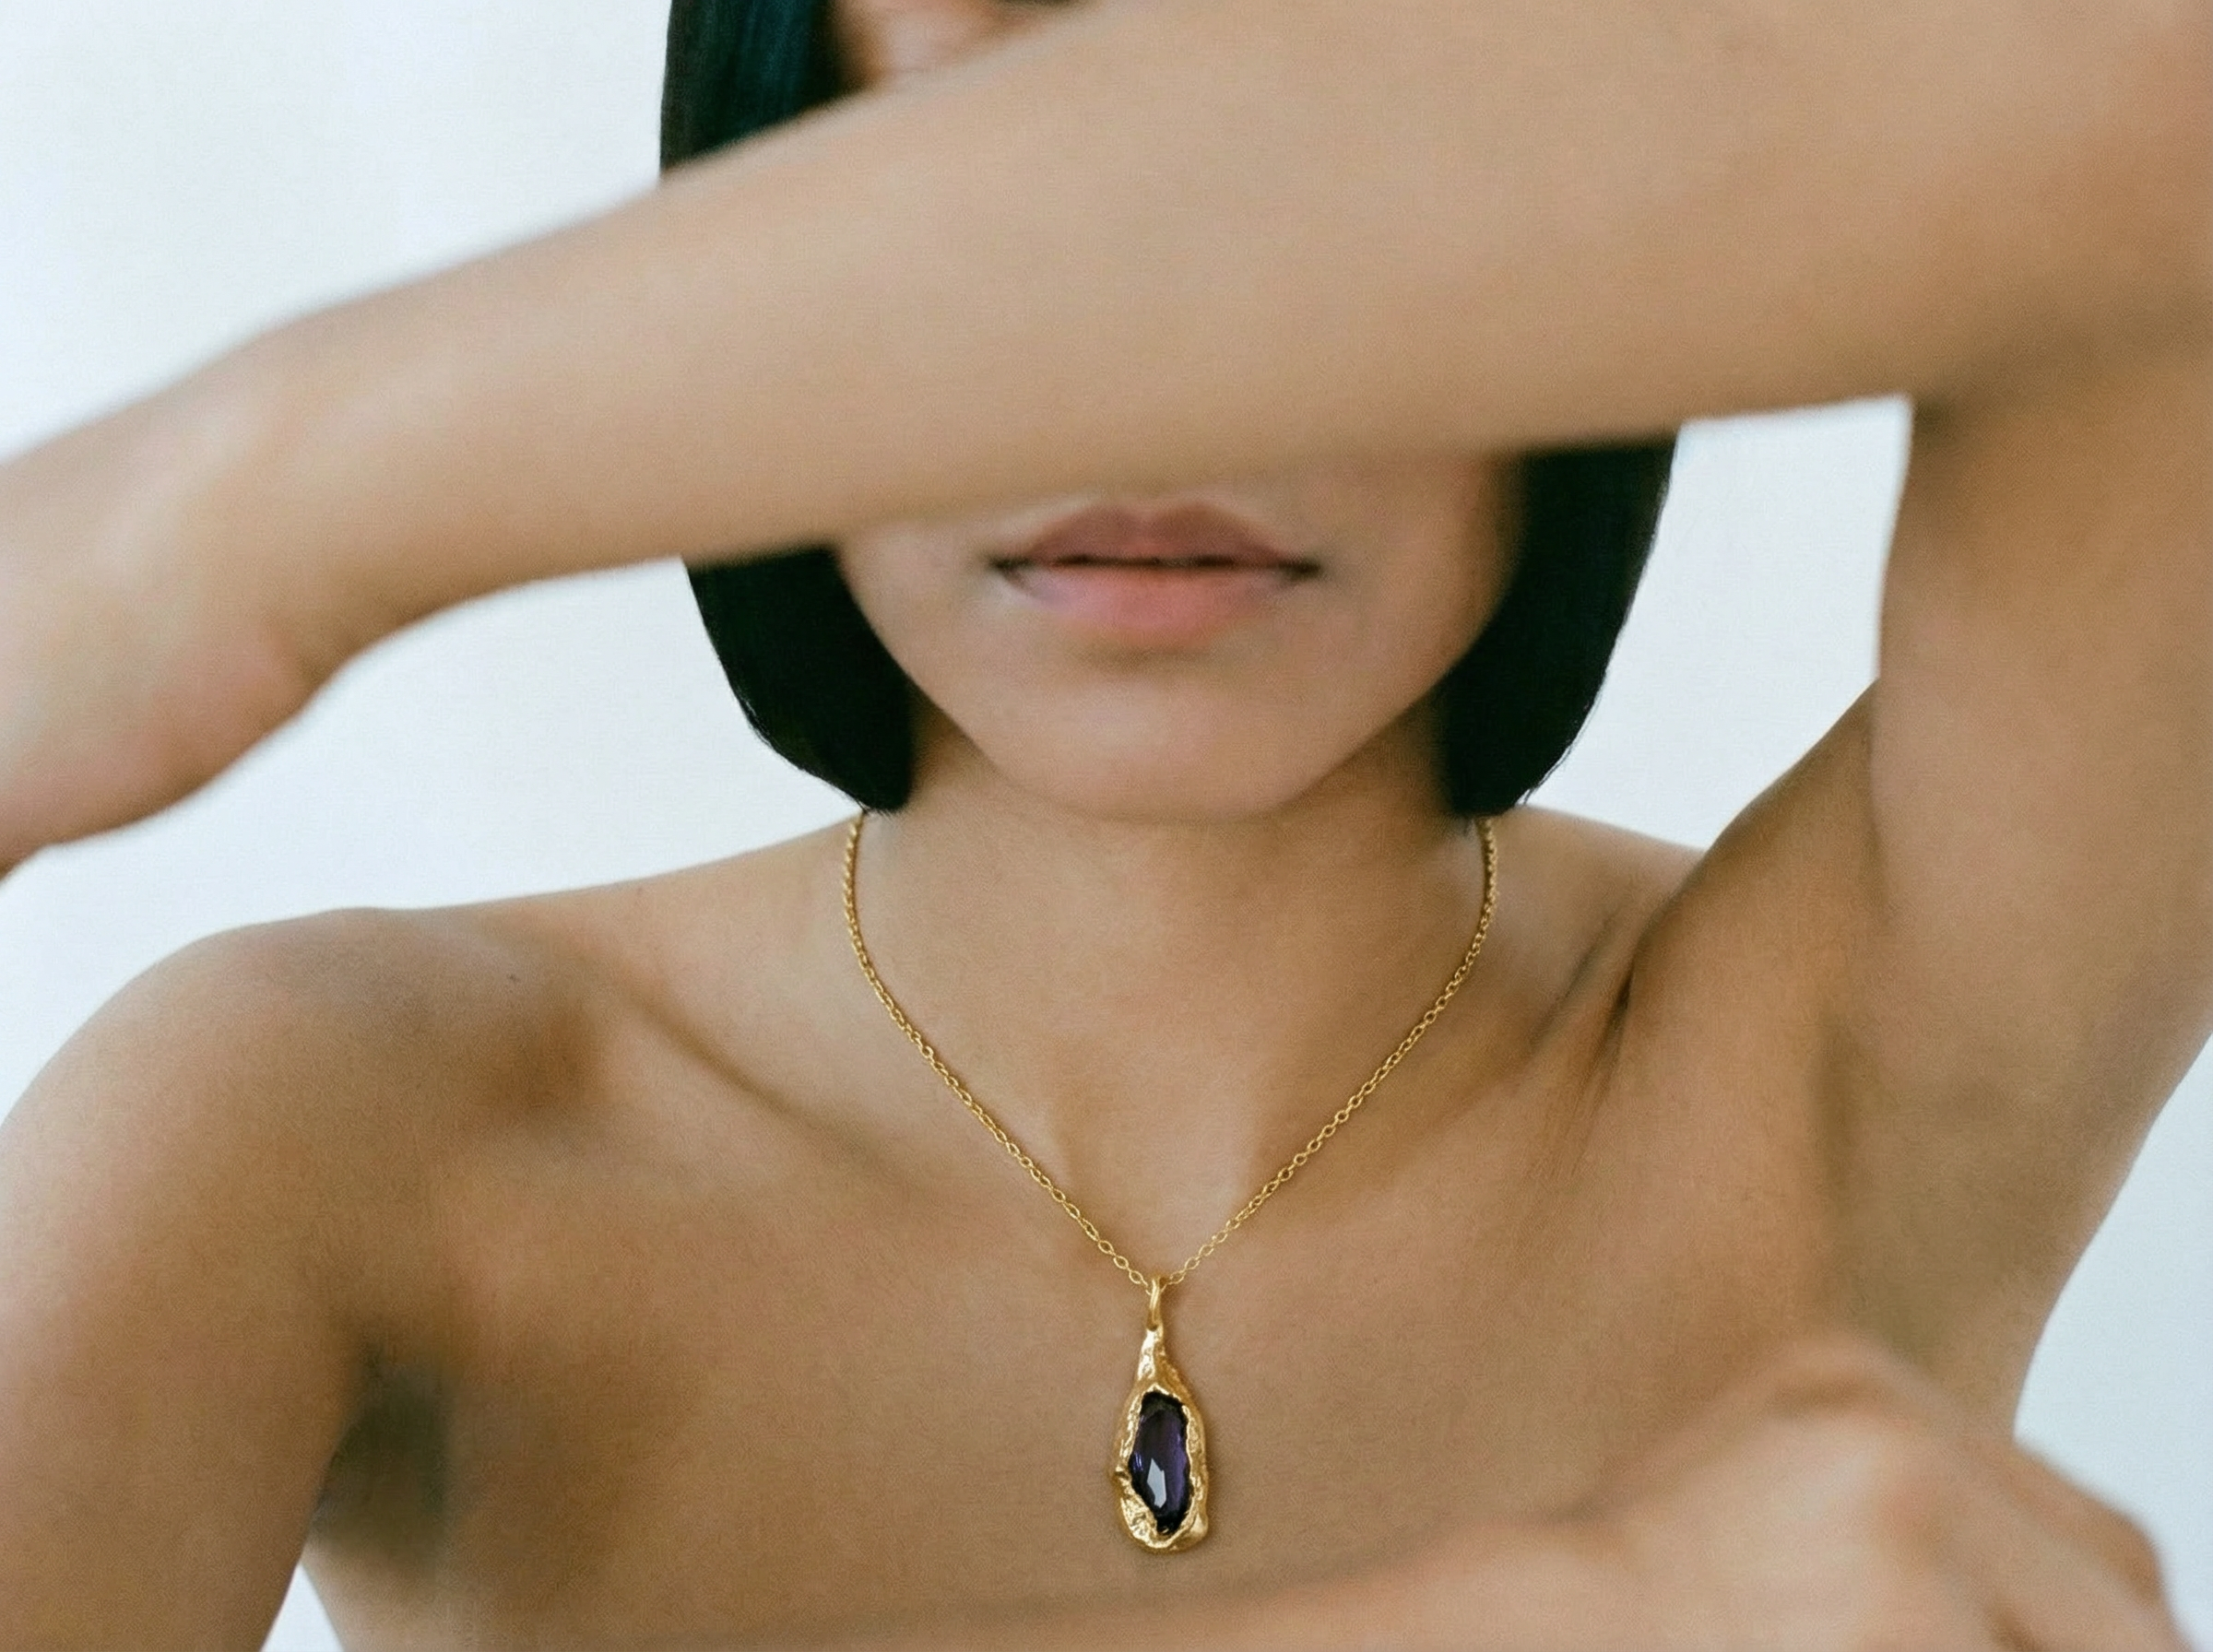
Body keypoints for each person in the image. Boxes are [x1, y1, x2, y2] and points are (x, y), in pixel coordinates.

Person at [0, 0, 2204, 1646]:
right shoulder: (327, 1115)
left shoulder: (1844, 1051)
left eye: (1331, 168)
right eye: (1004, 212)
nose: (1164, 402)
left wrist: (244, 506)